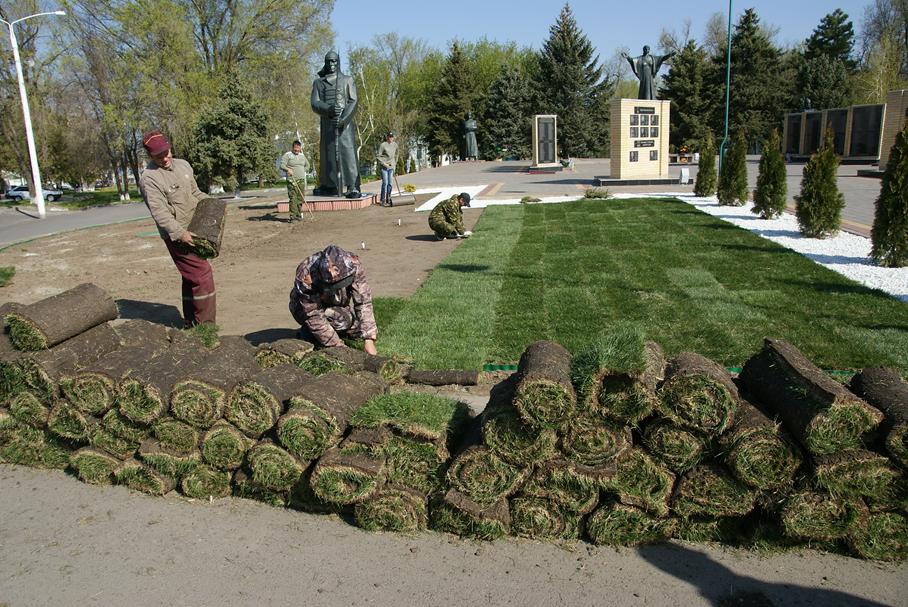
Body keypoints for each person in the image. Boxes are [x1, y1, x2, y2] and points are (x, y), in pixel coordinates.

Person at [139, 130, 216, 327]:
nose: (165, 159)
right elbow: (160, 213)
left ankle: (192, 324)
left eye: (166, 153)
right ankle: (206, 327)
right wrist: (180, 233)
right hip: (176, 235)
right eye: (158, 156)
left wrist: (214, 205)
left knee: (190, 278)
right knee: (202, 275)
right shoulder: (149, 178)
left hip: (195, 229)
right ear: (150, 156)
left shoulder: (183, 165)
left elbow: (195, 193)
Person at [289, 244, 378, 355]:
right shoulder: (306, 274)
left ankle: (327, 329)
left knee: (349, 323)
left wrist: (369, 339)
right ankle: (308, 332)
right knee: (334, 323)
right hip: (302, 308)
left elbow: (363, 301)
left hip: (332, 302)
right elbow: (313, 314)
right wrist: (339, 348)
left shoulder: (353, 264)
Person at [311, 51, 361, 198]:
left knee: (348, 153)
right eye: (329, 62)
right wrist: (328, 109)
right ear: (325, 63)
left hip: (344, 125)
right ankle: (329, 186)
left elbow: (353, 101)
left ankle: (353, 186)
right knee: (328, 155)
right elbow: (314, 103)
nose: (332, 65)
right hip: (327, 124)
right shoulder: (318, 83)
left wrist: (344, 119)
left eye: (334, 61)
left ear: (338, 63)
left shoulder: (347, 80)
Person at [280, 140, 309, 222]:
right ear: (292, 147)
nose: (297, 151)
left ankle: (298, 214)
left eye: (298, 149)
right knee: (293, 198)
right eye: (295, 149)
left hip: (301, 180)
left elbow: (308, 165)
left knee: (300, 198)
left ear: (300, 148)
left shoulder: (302, 155)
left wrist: (303, 170)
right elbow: (282, 165)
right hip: (291, 180)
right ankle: (293, 216)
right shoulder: (287, 155)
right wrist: (288, 169)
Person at [376, 131, 398, 207]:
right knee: (385, 183)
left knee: (390, 184)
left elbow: (397, 154)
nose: (390, 138)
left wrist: (395, 163)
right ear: (387, 137)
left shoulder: (395, 145)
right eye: (389, 137)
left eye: (392, 137)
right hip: (384, 168)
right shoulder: (383, 145)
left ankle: (388, 198)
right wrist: (383, 163)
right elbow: (378, 156)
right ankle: (382, 200)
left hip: (391, 167)